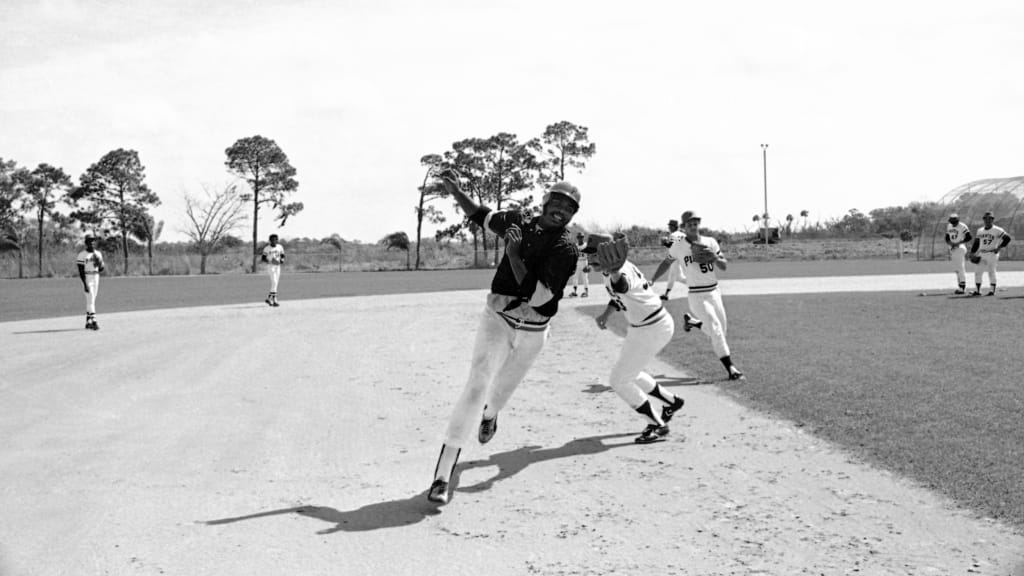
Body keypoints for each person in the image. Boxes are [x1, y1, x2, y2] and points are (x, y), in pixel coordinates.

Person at [427, 170, 581, 505]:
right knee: (477, 385)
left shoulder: (566, 247)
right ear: (545, 201)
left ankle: (491, 413)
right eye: (557, 201)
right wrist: (456, 192)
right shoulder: (519, 219)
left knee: (500, 392)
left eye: (569, 207)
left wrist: (512, 253)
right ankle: (442, 476)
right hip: (497, 317)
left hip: (534, 329)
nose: (562, 209)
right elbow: (481, 215)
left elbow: (535, 294)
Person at [587, 233, 686, 444]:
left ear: (610, 254)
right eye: (589, 254)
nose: (590, 259)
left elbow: (621, 285)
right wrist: (606, 313)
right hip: (643, 328)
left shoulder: (619, 270)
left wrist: (614, 272)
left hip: (653, 327)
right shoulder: (611, 270)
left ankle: (657, 424)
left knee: (618, 380)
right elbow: (620, 295)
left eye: (595, 254)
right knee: (632, 373)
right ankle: (671, 402)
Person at [652, 210, 744, 381]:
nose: (693, 226)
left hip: (714, 292)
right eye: (689, 224)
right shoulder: (678, 246)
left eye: (696, 223)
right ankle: (731, 368)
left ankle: (693, 323)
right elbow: (666, 263)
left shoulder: (710, 242)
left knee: (720, 332)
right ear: (684, 227)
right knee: (715, 329)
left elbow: (724, 266)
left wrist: (715, 258)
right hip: (696, 295)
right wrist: (652, 279)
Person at [968, 211, 1012, 296]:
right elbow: (976, 243)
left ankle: (992, 291)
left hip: (992, 253)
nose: (987, 220)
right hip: (982, 253)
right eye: (985, 218)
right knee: (978, 272)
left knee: (991, 272)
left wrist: (999, 248)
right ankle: (978, 291)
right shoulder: (980, 230)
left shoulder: (997, 229)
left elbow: (1007, 238)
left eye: (990, 218)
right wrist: (972, 253)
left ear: (992, 220)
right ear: (983, 220)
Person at [76, 234, 106, 330]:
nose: (92, 242)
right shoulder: (82, 255)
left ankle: (88, 321)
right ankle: (94, 321)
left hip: (96, 276)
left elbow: (101, 269)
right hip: (88, 276)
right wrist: (84, 283)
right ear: (86, 243)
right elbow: (81, 271)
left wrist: (99, 263)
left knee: (92, 300)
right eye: (89, 241)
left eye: (93, 241)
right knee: (90, 299)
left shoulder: (98, 254)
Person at [652, 219, 685, 300]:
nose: (669, 227)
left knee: (680, 277)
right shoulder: (682, 234)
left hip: (675, 257)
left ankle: (697, 286)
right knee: (672, 276)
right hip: (683, 256)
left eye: (670, 226)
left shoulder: (674, 234)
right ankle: (666, 294)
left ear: (674, 227)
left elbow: (670, 245)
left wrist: (664, 242)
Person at [944, 213, 973, 294]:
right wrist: (951, 244)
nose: (953, 223)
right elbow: (947, 237)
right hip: (953, 249)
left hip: (960, 248)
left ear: (958, 220)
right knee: (957, 269)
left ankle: (963, 288)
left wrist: (959, 243)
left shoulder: (962, 226)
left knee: (960, 268)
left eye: (954, 221)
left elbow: (969, 237)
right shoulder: (949, 226)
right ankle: (960, 286)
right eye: (952, 221)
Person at [261, 234, 285, 306]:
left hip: (277, 266)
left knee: (275, 283)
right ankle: (274, 300)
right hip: (271, 266)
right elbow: (263, 258)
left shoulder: (280, 247)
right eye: (273, 239)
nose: (274, 241)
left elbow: (283, 255)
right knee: (274, 282)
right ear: (270, 240)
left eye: (275, 239)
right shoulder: (267, 248)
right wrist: (270, 261)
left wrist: (282, 260)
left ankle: (269, 298)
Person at [569, 232, 591, 297]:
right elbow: (573, 255)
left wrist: (588, 264)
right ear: (577, 238)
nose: (580, 238)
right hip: (577, 262)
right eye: (579, 237)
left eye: (581, 237)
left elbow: (589, 255)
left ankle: (586, 292)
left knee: (585, 277)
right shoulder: (575, 245)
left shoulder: (586, 245)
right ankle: (574, 292)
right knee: (575, 277)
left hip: (584, 262)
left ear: (583, 237)